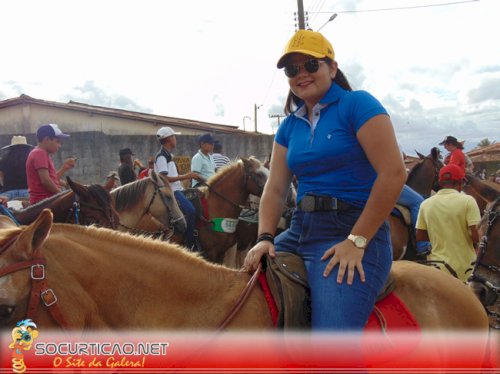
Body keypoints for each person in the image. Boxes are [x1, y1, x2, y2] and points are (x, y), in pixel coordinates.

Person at [243, 29, 406, 330]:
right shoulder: (290, 126)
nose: (301, 74)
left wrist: (356, 241)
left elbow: (393, 173)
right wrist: (265, 237)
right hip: (299, 231)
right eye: (293, 69)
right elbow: (276, 187)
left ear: (332, 67)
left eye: (311, 65)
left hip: (352, 231)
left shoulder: (357, 105)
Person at [416, 164, 481, 283]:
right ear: (460, 182)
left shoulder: (425, 204)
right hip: (465, 269)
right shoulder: (468, 201)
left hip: (438, 269)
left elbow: (420, 236)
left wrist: (440, 235)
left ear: (440, 182)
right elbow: (476, 236)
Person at [155, 126, 202, 251]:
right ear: (169, 139)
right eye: (174, 137)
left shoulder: (167, 155)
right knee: (191, 211)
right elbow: (164, 178)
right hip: (172, 192)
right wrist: (186, 176)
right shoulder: (161, 157)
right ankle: (190, 244)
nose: (175, 139)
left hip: (178, 189)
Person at [26, 124, 77, 204]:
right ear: (46, 139)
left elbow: (51, 179)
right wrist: (62, 195)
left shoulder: (41, 153)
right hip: (45, 201)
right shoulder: (40, 153)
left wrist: (64, 168)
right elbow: (45, 181)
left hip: (46, 199)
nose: (59, 145)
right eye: (57, 142)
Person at [0, 136, 34, 201]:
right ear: (26, 148)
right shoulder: (31, 160)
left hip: (7, 192)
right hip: (27, 192)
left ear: (11, 148)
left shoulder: (4, 160)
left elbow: (1, 179)